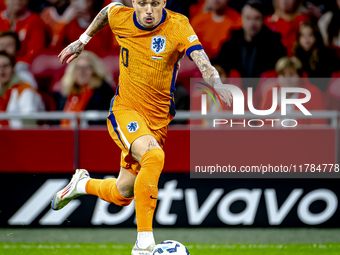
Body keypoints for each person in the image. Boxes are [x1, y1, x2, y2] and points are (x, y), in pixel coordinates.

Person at [51, 1, 232, 255]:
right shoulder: (122, 17)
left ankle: (81, 185)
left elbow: (201, 59)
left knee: (123, 194)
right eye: (143, 3)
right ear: (134, 2)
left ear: (164, 3)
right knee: (154, 156)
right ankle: (143, 244)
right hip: (125, 111)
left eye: (155, 3)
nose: (149, 9)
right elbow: (107, 11)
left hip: (157, 121)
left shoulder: (178, 25)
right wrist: (83, 39)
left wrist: (217, 82)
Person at [213, 0, 286, 90]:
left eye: (256, 18)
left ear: (263, 20)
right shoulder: (230, 45)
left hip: (264, 94)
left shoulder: (275, 45)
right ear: (242, 19)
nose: (252, 23)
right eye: (248, 18)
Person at [260, 56, 326, 125]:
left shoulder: (313, 93)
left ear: (299, 77)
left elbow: (318, 125)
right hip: (274, 135)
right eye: (283, 75)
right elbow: (262, 124)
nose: (287, 79)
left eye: (291, 75)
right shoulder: (269, 93)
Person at [57, 50, 114, 126]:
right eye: (78, 68)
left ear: (94, 71)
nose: (82, 72)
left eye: (86, 68)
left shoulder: (104, 92)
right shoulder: (67, 93)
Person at [0, 51, 44, 128]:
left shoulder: (25, 90)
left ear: (13, 68)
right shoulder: (2, 92)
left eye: (5, 66)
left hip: (21, 137)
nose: (2, 70)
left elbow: (30, 124)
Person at [293, 21, 340, 91]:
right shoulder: (297, 54)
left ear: (316, 36)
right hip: (304, 91)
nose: (306, 39)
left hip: (324, 91)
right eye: (302, 35)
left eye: (310, 35)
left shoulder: (327, 53)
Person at [0, 0, 46, 64]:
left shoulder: (35, 21)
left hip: (23, 66)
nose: (18, 1)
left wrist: (15, 64)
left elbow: (36, 52)